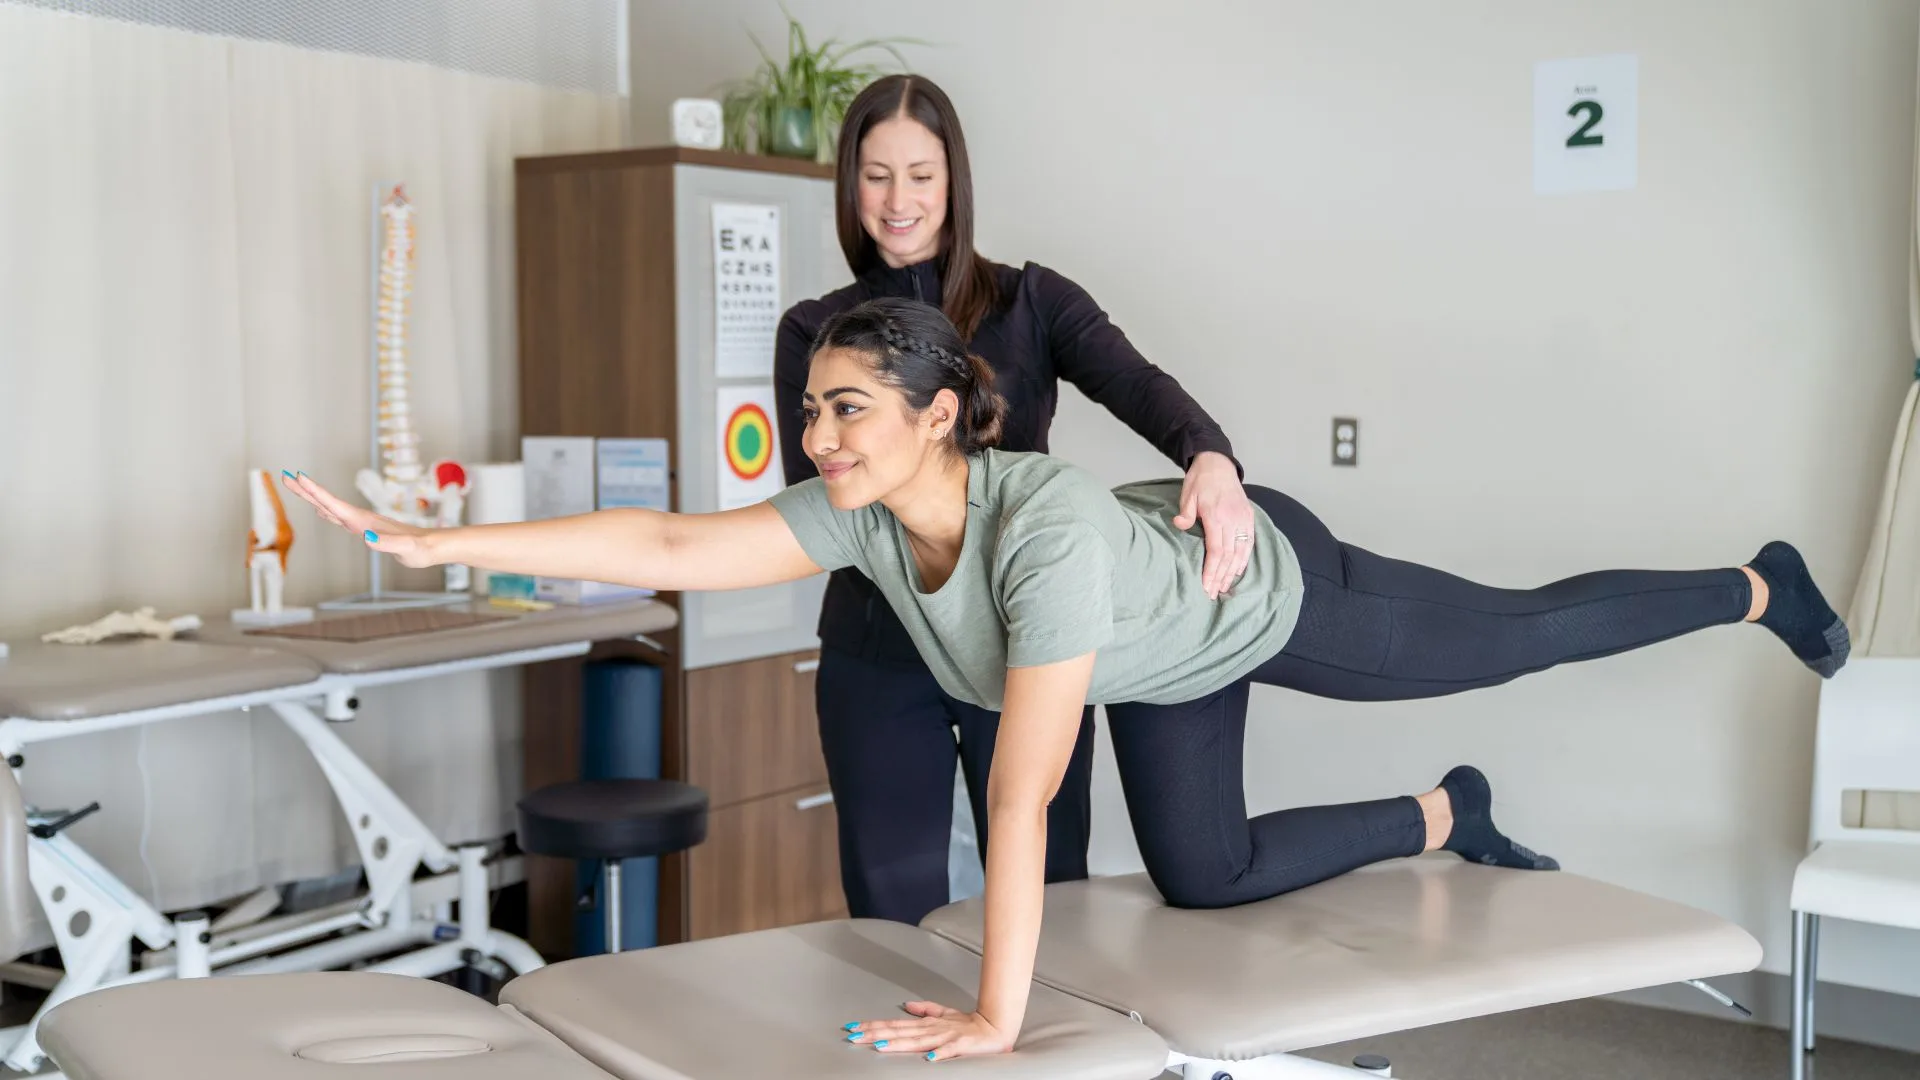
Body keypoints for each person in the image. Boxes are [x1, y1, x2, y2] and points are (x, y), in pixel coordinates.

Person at [279, 296, 1848, 1064]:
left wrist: (992, 1017)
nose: (819, 440)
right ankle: (1450, 812)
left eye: (847, 411)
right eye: (814, 412)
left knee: (1509, 635)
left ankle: (1754, 583)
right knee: (1209, 875)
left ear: (939, 416)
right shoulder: (862, 515)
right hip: (1155, 657)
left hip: (1265, 597)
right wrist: (444, 546)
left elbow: (1019, 796)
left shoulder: (1041, 539)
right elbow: (680, 535)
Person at [773, 73, 1256, 927]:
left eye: (920, 174)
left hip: (1028, 648)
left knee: (1050, 892)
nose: (898, 200)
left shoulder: (1031, 301)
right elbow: (820, 495)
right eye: (876, 175)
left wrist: (1210, 456)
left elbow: (1137, 384)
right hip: (879, 652)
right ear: (850, 185)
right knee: (891, 913)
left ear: (954, 180)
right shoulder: (816, 330)